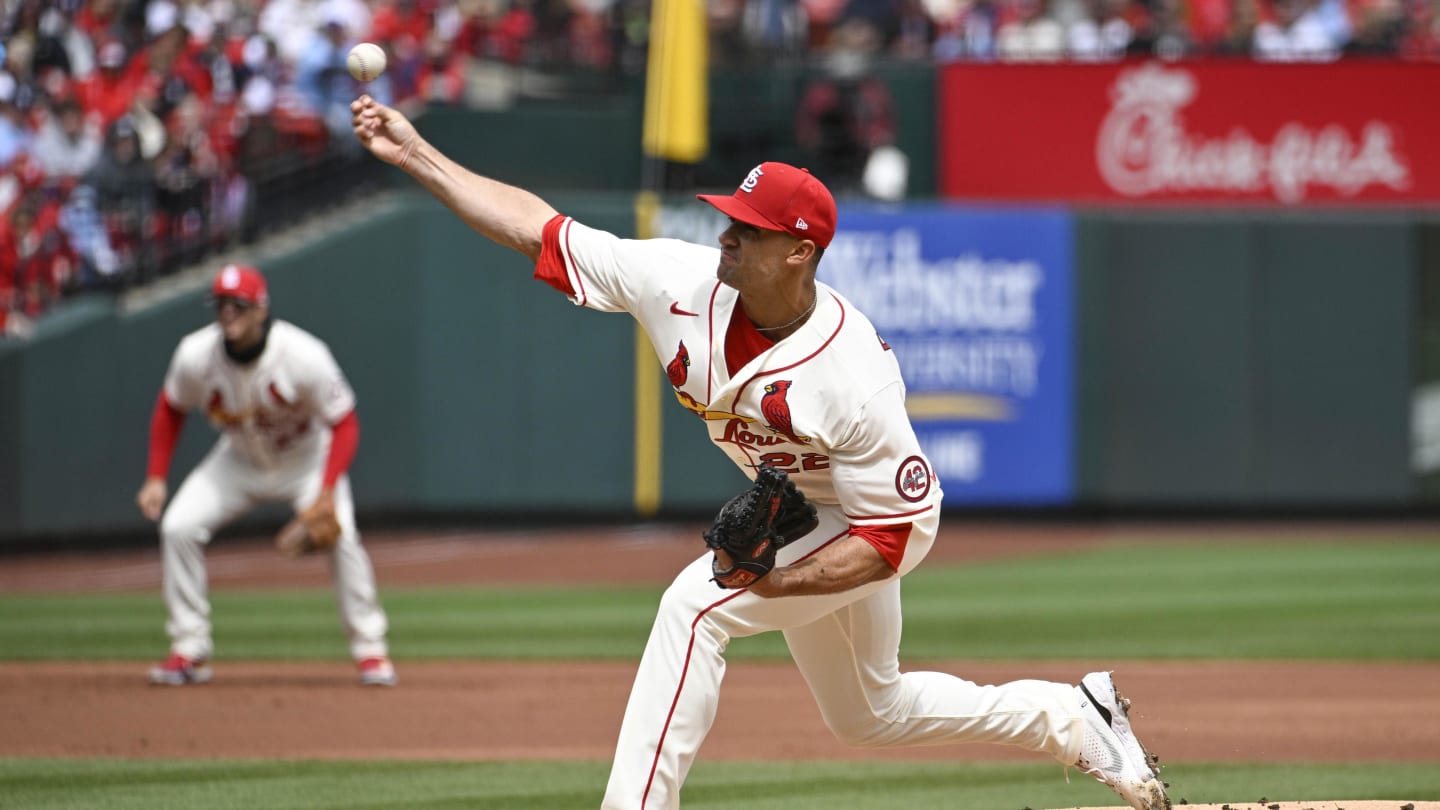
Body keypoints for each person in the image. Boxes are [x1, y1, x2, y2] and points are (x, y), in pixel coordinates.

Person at [348, 94, 1171, 810]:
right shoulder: (675, 280)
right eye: (729, 219)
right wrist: (416, 152)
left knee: (694, 606)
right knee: (870, 713)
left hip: (862, 523)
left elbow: (895, 537)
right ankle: (1076, 718)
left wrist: (775, 579)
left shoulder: (852, 375)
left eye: (750, 229)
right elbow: (538, 231)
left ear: (799, 252)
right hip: (803, 508)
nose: (726, 236)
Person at [136, 263, 397, 688]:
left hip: (306, 461)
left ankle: (371, 653)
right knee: (178, 526)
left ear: (261, 309)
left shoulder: (302, 354)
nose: (227, 313)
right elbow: (171, 407)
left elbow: (345, 423)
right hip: (237, 460)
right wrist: (155, 476)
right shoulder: (195, 354)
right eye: (221, 303)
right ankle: (189, 650)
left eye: (237, 305)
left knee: (342, 535)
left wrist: (327, 490)